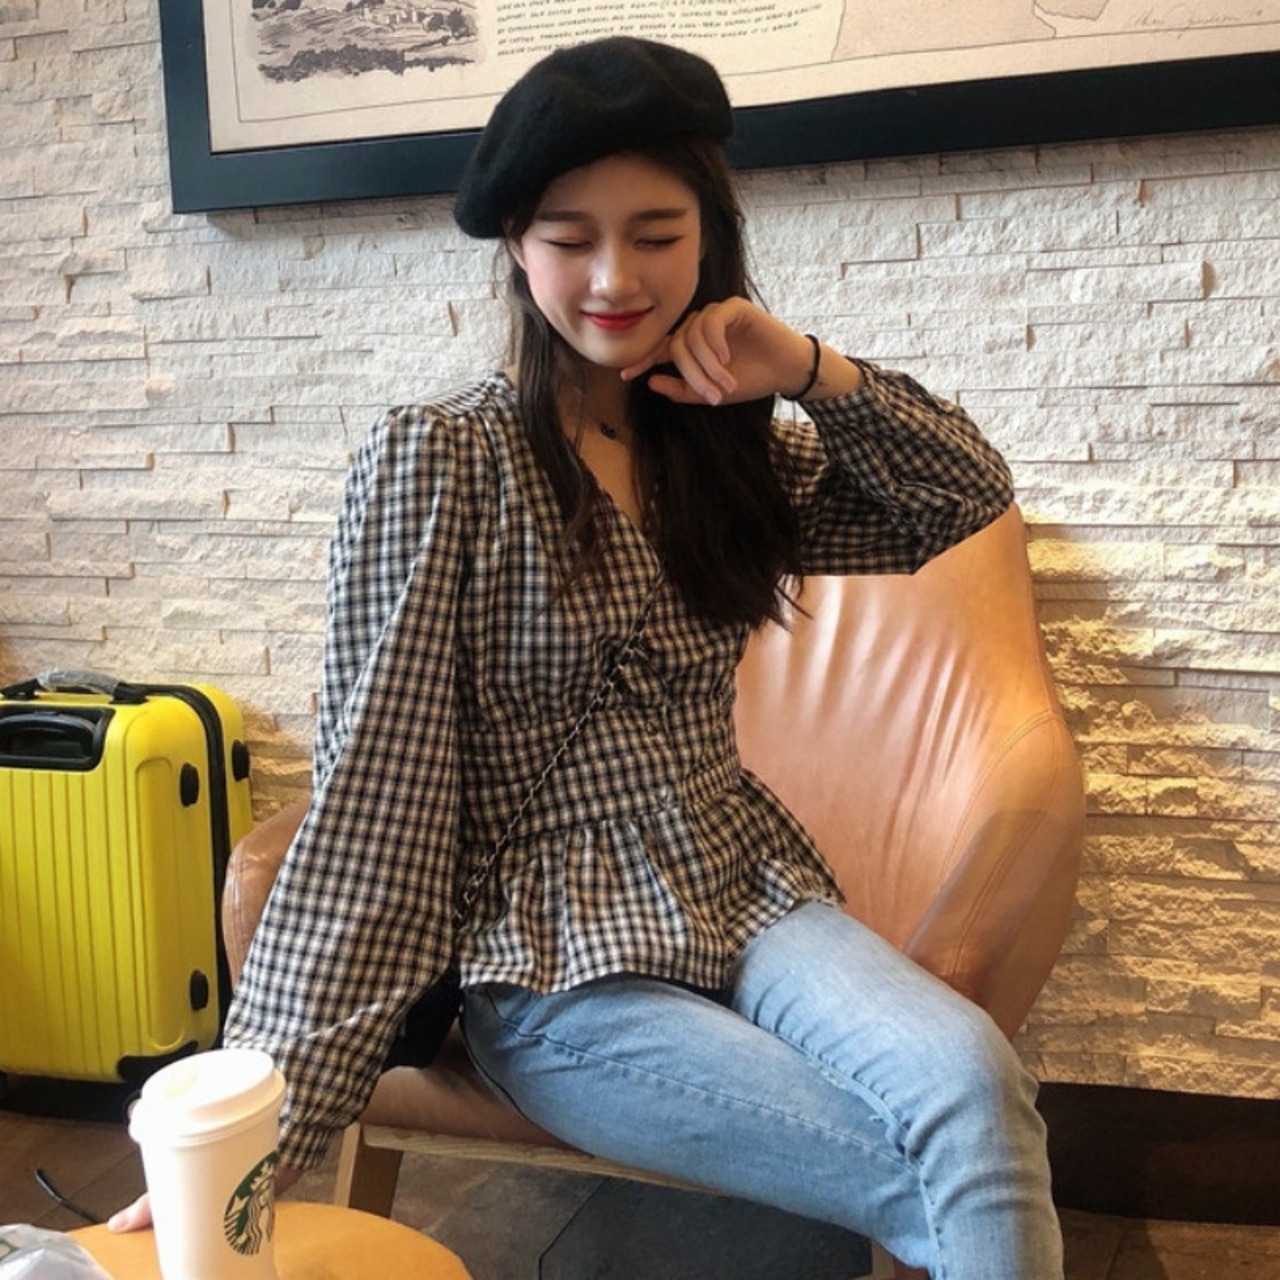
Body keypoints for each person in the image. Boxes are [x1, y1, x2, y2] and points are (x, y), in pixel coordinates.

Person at [113, 36, 1063, 1279]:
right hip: (550, 964)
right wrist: (261, 1121)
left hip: (747, 893)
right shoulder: (442, 460)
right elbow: (376, 797)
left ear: (707, 239)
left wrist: (803, 368)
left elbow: (958, 498)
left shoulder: (726, 454)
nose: (615, 276)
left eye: (656, 234)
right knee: (968, 1154)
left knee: (971, 1077)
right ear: (516, 243)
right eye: (570, 237)